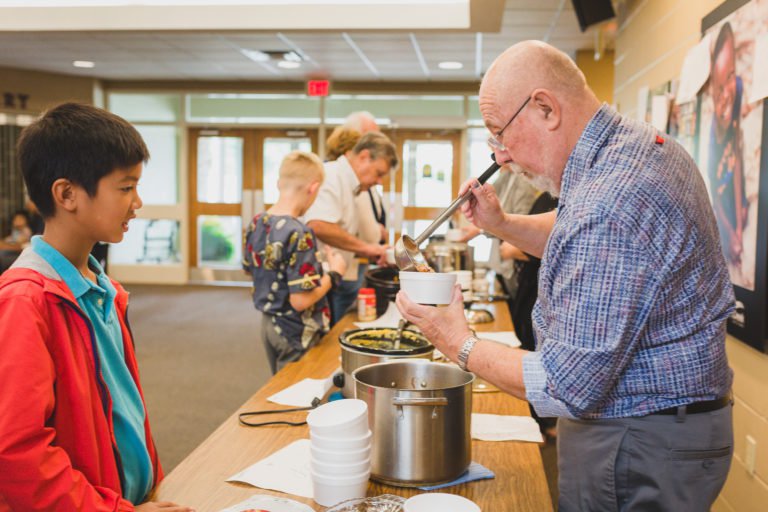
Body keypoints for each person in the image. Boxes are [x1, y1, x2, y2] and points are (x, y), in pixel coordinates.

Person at [396, 40, 734, 511]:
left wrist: (455, 340)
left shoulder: (610, 202)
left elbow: (564, 385)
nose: (503, 156)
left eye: (500, 134)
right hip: (662, 428)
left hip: (639, 438)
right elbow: (574, 228)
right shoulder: (627, 147)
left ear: (545, 108)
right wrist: (503, 224)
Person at [0, 103, 193, 512]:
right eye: (125, 188)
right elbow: (17, 452)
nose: (137, 202)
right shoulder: (25, 301)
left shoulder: (101, 287)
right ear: (67, 194)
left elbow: (119, 412)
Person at [243, 151, 347, 374]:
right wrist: (334, 273)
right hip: (295, 330)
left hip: (268, 325)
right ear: (313, 188)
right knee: (296, 396)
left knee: (278, 387)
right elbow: (300, 300)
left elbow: (253, 269)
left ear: (279, 183)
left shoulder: (257, 223)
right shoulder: (299, 233)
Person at [305, 132, 397, 324]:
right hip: (314, 281)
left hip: (328, 277)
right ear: (363, 156)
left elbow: (340, 230)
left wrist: (370, 252)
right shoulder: (331, 175)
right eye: (379, 173)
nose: (379, 181)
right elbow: (318, 225)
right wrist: (367, 248)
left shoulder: (351, 185)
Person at [458, 164, 537, 304]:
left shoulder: (524, 183)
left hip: (517, 263)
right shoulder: (506, 176)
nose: (497, 159)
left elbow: (521, 226)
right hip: (503, 262)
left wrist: (480, 229)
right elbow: (490, 201)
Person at [707, 21, 748, 268]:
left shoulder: (739, 88)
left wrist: (740, 230)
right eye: (719, 87)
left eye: (730, 75)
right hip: (721, 202)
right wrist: (732, 234)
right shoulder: (712, 140)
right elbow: (715, 197)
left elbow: (738, 154)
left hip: (733, 185)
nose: (727, 95)